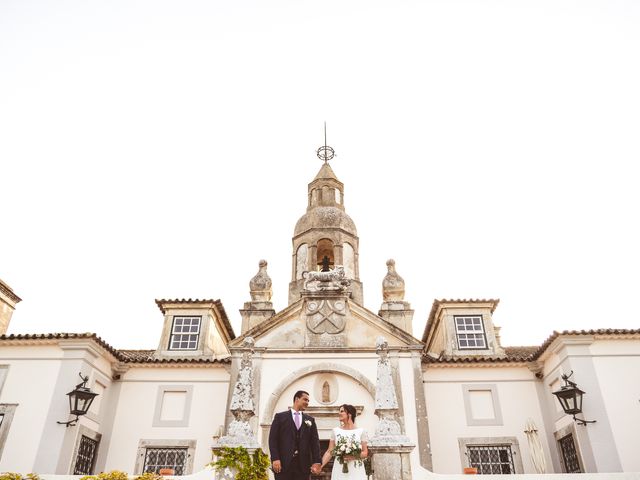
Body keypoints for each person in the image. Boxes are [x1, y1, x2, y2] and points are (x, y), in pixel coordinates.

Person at [269, 390, 322, 480]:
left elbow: (315, 443)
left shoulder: (310, 420)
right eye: (305, 400)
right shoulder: (280, 417)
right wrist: (275, 458)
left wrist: (317, 461)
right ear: (297, 399)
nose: (307, 403)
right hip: (283, 464)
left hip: (303, 466)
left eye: (308, 401)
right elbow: (273, 440)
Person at [320, 404, 368, 480]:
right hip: (339, 467)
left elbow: (365, 453)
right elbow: (330, 451)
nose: (339, 413)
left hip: (356, 469)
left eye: (342, 411)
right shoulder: (335, 431)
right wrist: (320, 466)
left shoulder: (361, 431)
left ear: (349, 414)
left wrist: (353, 456)